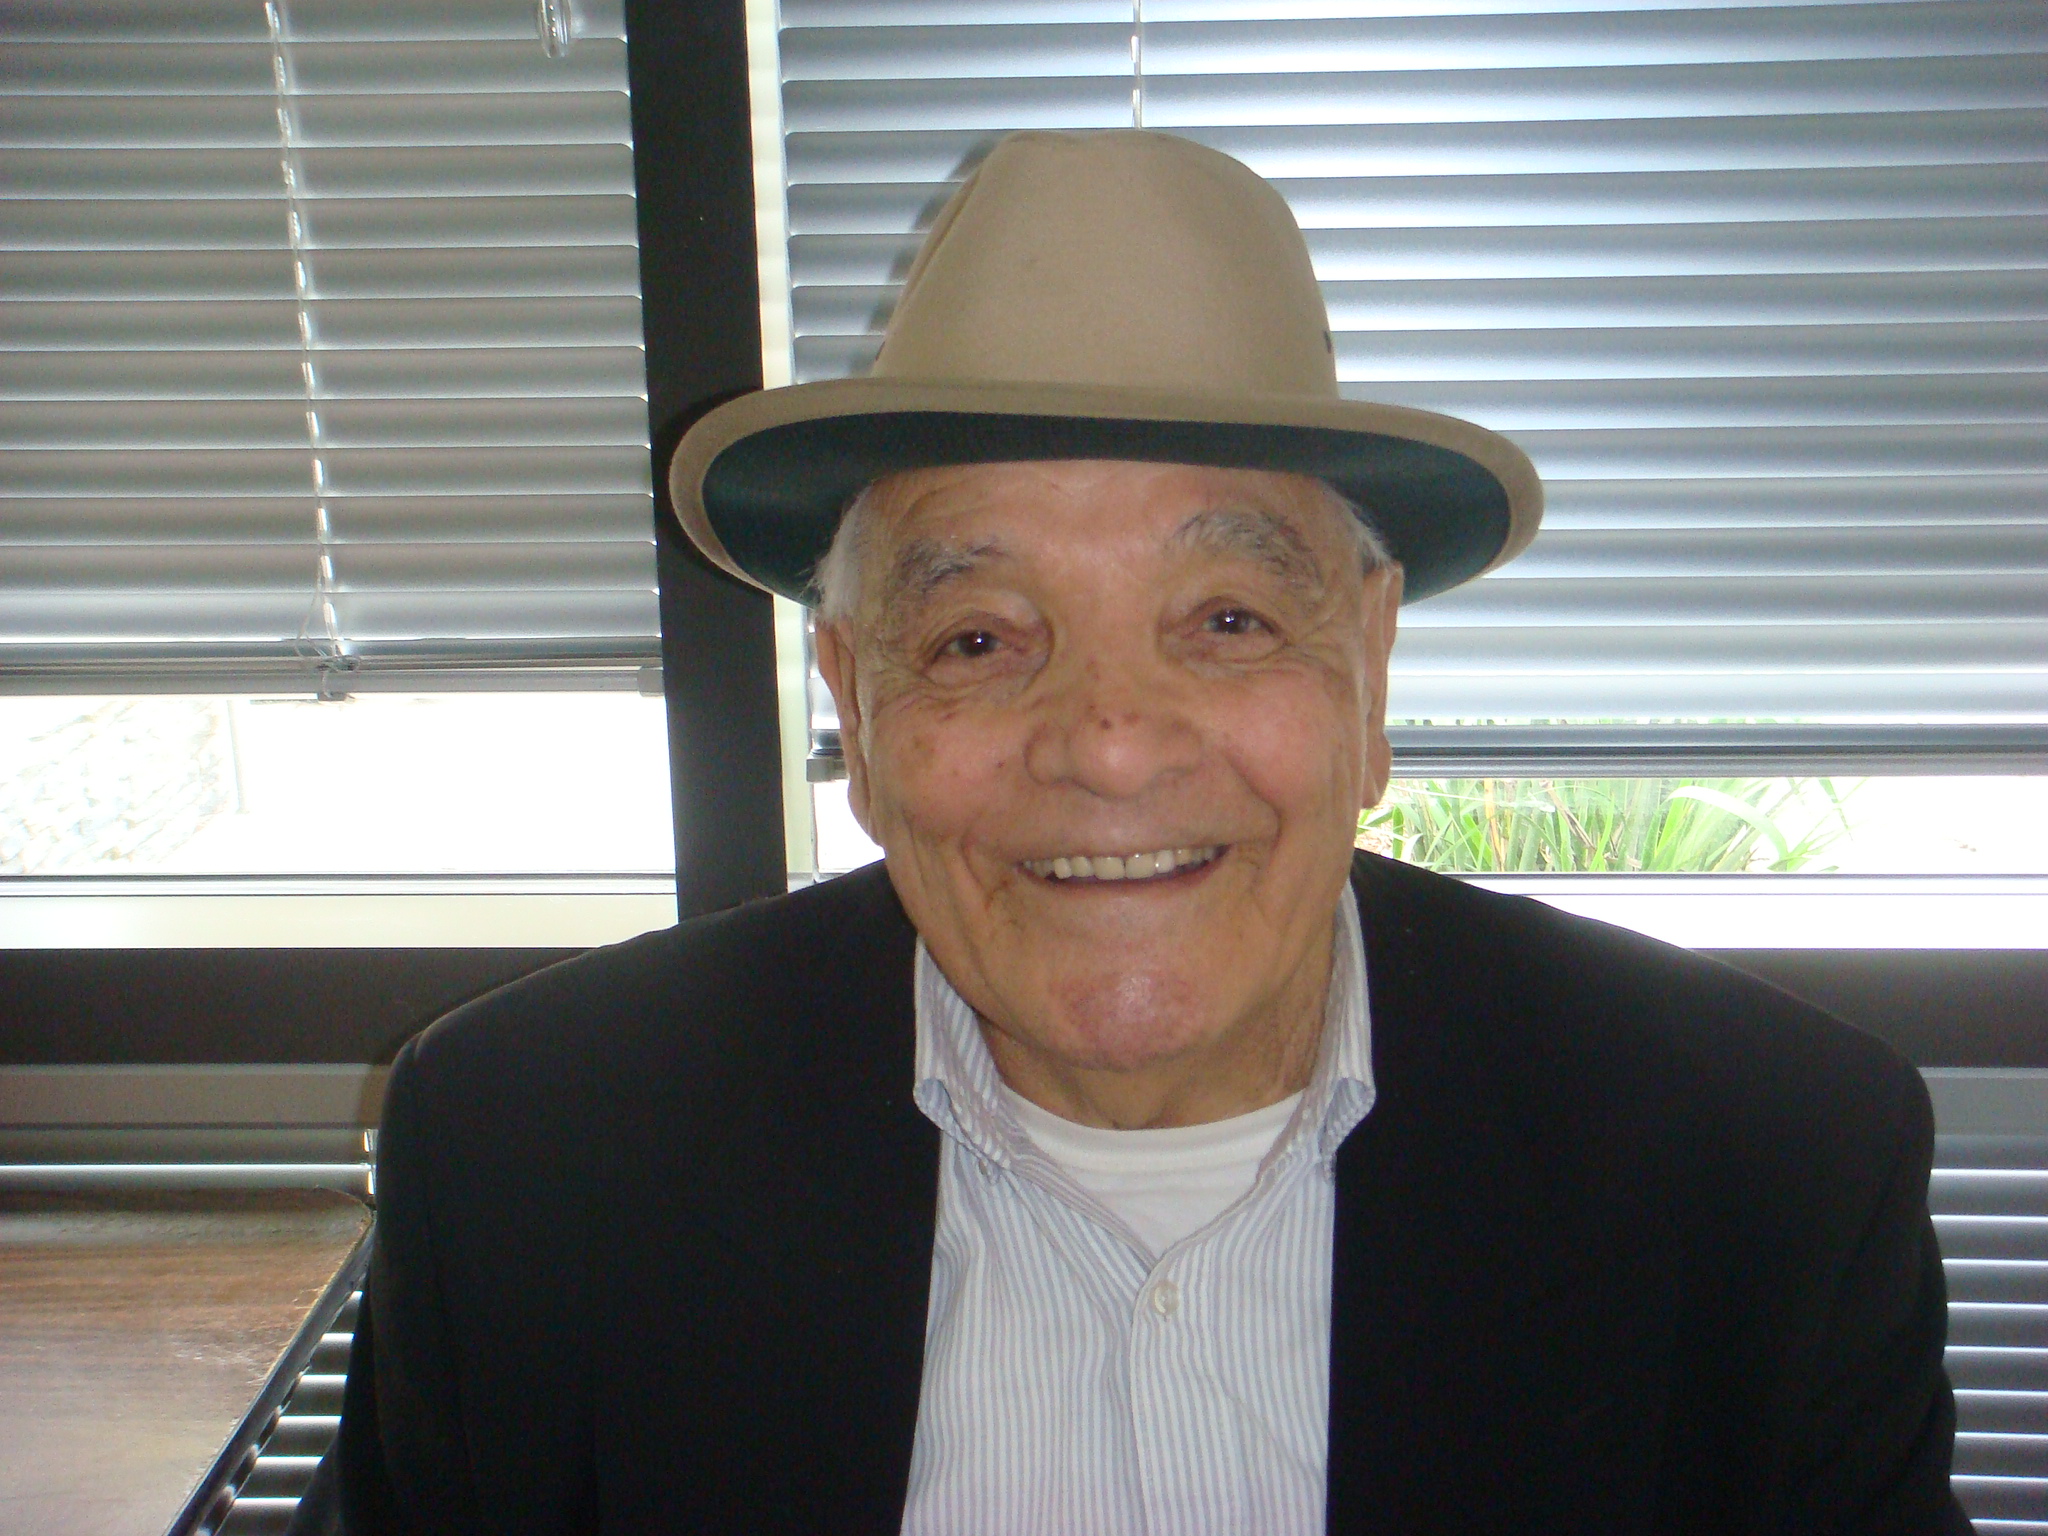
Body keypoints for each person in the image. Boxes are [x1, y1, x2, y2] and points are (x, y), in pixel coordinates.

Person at [323, 131, 1965, 1533]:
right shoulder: (536, 1162)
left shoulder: (1765, 1174)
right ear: (857, 708)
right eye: (979, 637)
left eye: (1229, 620)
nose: (1110, 744)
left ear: (1371, 670)